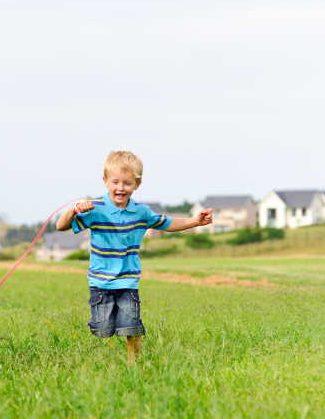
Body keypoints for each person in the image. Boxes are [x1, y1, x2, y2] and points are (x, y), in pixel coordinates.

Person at [56, 150, 213, 364]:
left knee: (131, 324)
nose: (121, 188)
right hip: (100, 281)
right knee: (102, 330)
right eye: (115, 182)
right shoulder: (95, 208)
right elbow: (61, 226)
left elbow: (168, 223)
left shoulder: (142, 212)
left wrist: (195, 221)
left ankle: (133, 361)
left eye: (127, 183)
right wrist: (74, 210)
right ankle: (103, 326)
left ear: (137, 184)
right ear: (105, 181)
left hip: (128, 280)